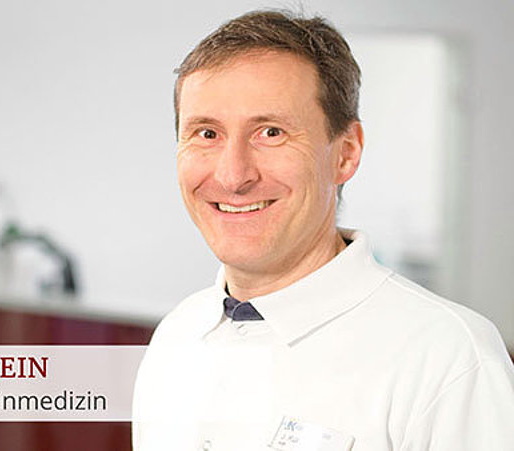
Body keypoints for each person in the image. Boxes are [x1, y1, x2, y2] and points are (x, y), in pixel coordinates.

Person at [132, 10, 514, 451]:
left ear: (345, 154)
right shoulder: (176, 336)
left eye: (270, 132)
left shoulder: (450, 359)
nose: (233, 175)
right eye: (206, 134)